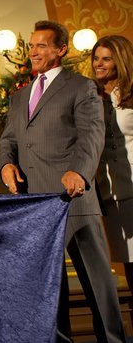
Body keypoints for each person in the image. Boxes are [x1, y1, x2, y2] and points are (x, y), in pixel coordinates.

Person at [0, 20, 126, 342]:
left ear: (61, 50)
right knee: (49, 296)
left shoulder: (80, 87)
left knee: (98, 290)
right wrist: (5, 166)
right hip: (34, 209)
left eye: (42, 45)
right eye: (31, 45)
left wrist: (79, 172)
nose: (34, 51)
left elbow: (92, 136)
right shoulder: (19, 97)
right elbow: (7, 141)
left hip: (74, 201)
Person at [92, 35, 133, 294]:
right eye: (96, 58)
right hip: (111, 194)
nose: (99, 64)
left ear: (121, 60)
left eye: (106, 58)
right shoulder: (90, 96)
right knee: (129, 265)